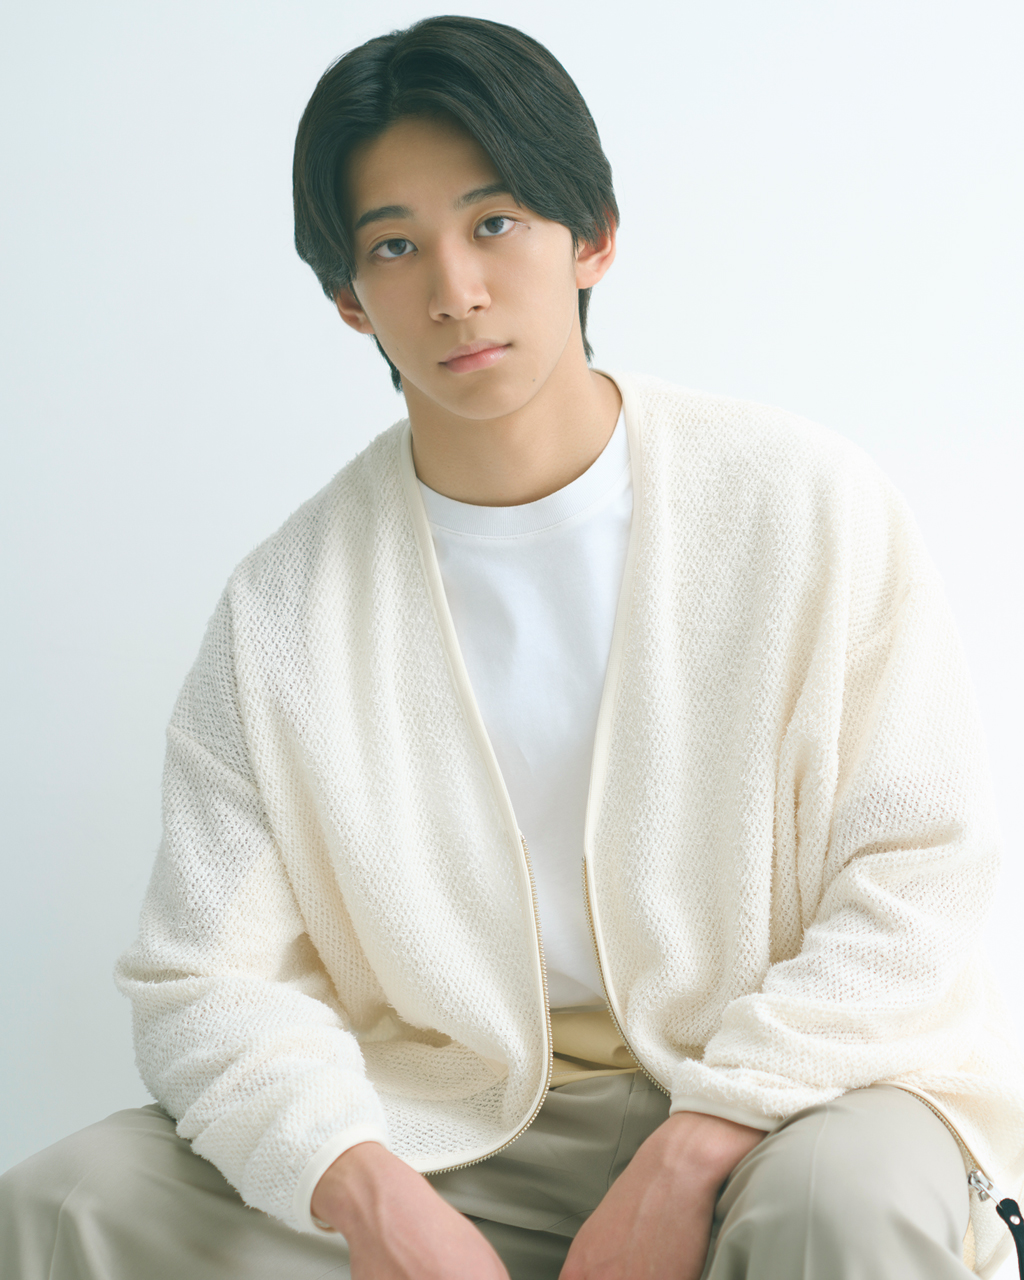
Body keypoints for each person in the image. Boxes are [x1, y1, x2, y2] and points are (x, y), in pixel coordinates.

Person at [2, 15, 1022, 1280]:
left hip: (793, 1094)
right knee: (70, 1202)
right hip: (455, 1124)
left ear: (592, 235)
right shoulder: (284, 609)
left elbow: (917, 874)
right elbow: (202, 975)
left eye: (495, 222)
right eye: (394, 245)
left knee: (843, 1207)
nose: (454, 289)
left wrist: (692, 1147)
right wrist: (368, 1194)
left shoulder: (802, 505)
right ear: (347, 297)